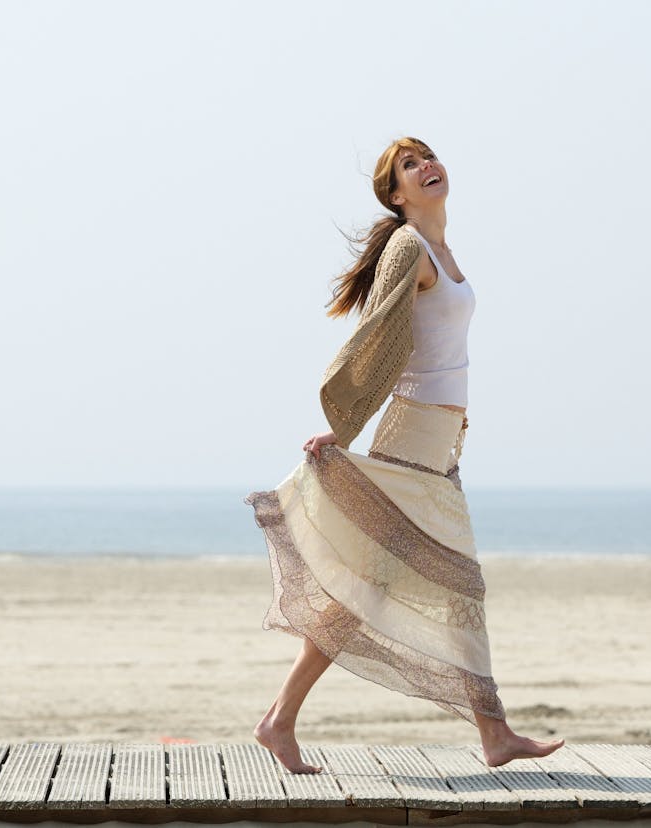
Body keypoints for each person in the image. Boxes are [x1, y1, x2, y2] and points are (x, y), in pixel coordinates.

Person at [244, 136, 565, 774]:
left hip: (439, 442)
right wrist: (346, 426)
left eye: (428, 156)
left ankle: (280, 721)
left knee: (377, 588)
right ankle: (493, 734)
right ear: (396, 195)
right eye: (409, 166)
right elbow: (381, 335)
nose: (427, 166)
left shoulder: (442, 250)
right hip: (412, 436)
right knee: (452, 587)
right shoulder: (408, 247)